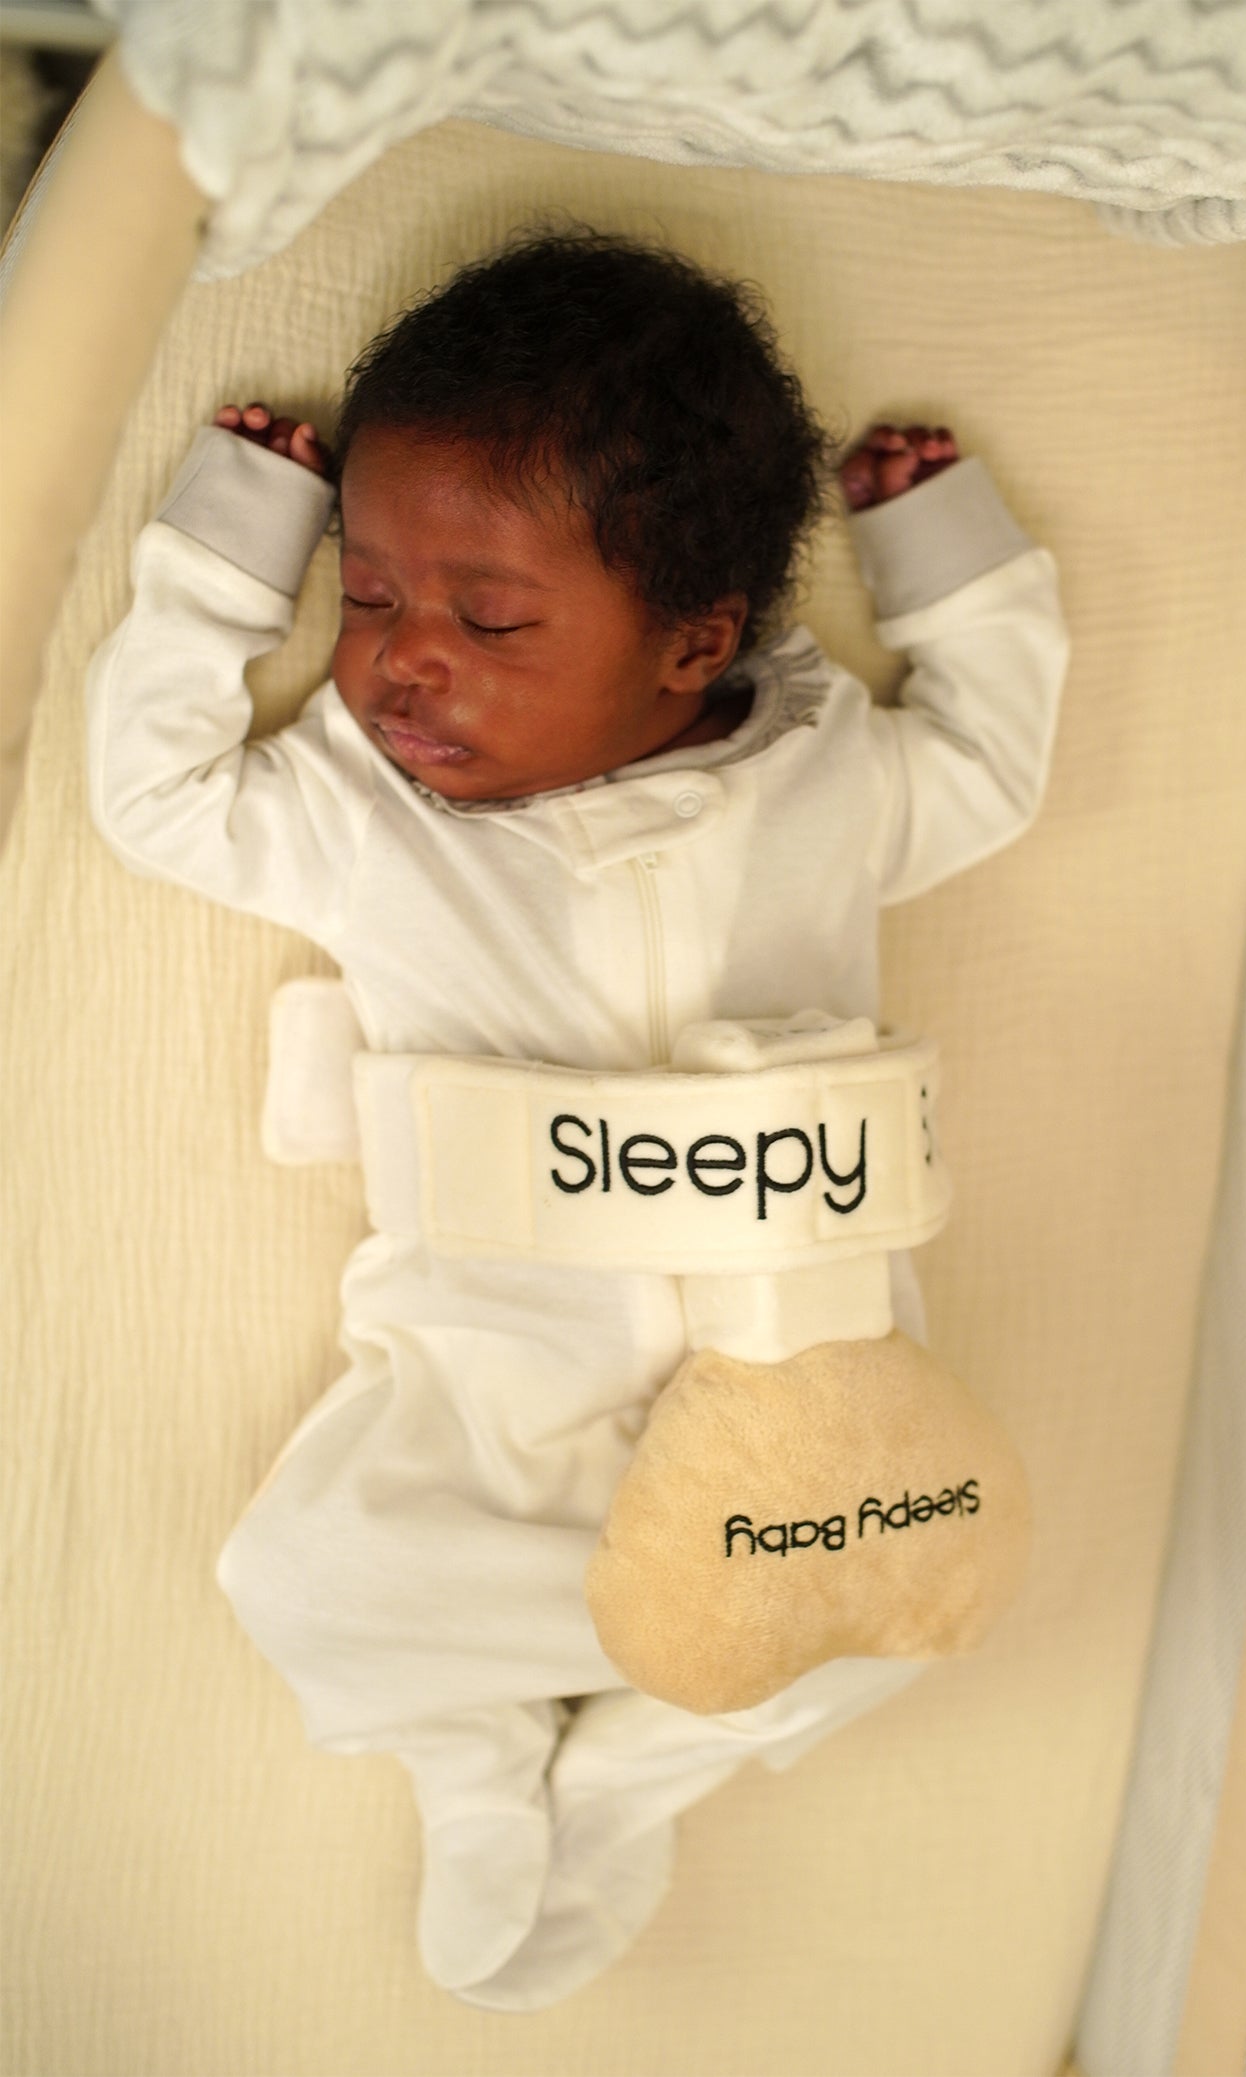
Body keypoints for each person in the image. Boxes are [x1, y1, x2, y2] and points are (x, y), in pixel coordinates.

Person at [85, 229, 1069, 2011]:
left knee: (895, 1599)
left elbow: (991, 764)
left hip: (793, 1390)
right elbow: (154, 795)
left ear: (696, 642)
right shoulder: (365, 817)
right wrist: (232, 552)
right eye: (366, 595)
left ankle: (635, 1761)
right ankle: (484, 1764)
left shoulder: (826, 776)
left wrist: (951, 567)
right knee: (310, 1578)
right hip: (493, 1386)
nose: (402, 667)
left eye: (491, 615)